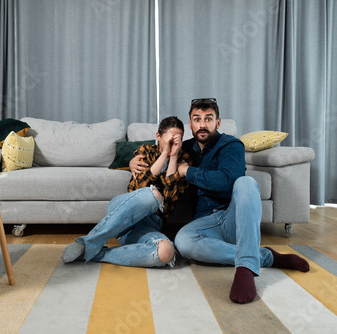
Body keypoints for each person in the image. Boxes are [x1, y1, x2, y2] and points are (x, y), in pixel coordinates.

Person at [130, 98, 309, 303]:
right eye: (197, 119)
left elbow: (227, 180)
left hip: (231, 216)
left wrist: (188, 171)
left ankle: (245, 268)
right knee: (183, 242)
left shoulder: (232, 145)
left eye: (208, 119)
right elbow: (156, 150)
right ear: (190, 123)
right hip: (205, 223)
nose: (202, 124)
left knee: (246, 183)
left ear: (218, 122)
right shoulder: (185, 147)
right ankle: (265, 256)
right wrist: (130, 161)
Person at [61, 116, 191, 267]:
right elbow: (139, 186)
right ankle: (88, 242)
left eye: (178, 139)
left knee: (166, 252)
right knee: (153, 195)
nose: (172, 144)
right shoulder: (146, 151)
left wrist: (173, 157)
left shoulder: (183, 160)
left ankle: (91, 253)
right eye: (169, 139)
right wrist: (164, 154)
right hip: (123, 211)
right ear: (158, 136)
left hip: (149, 224)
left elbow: (168, 199)